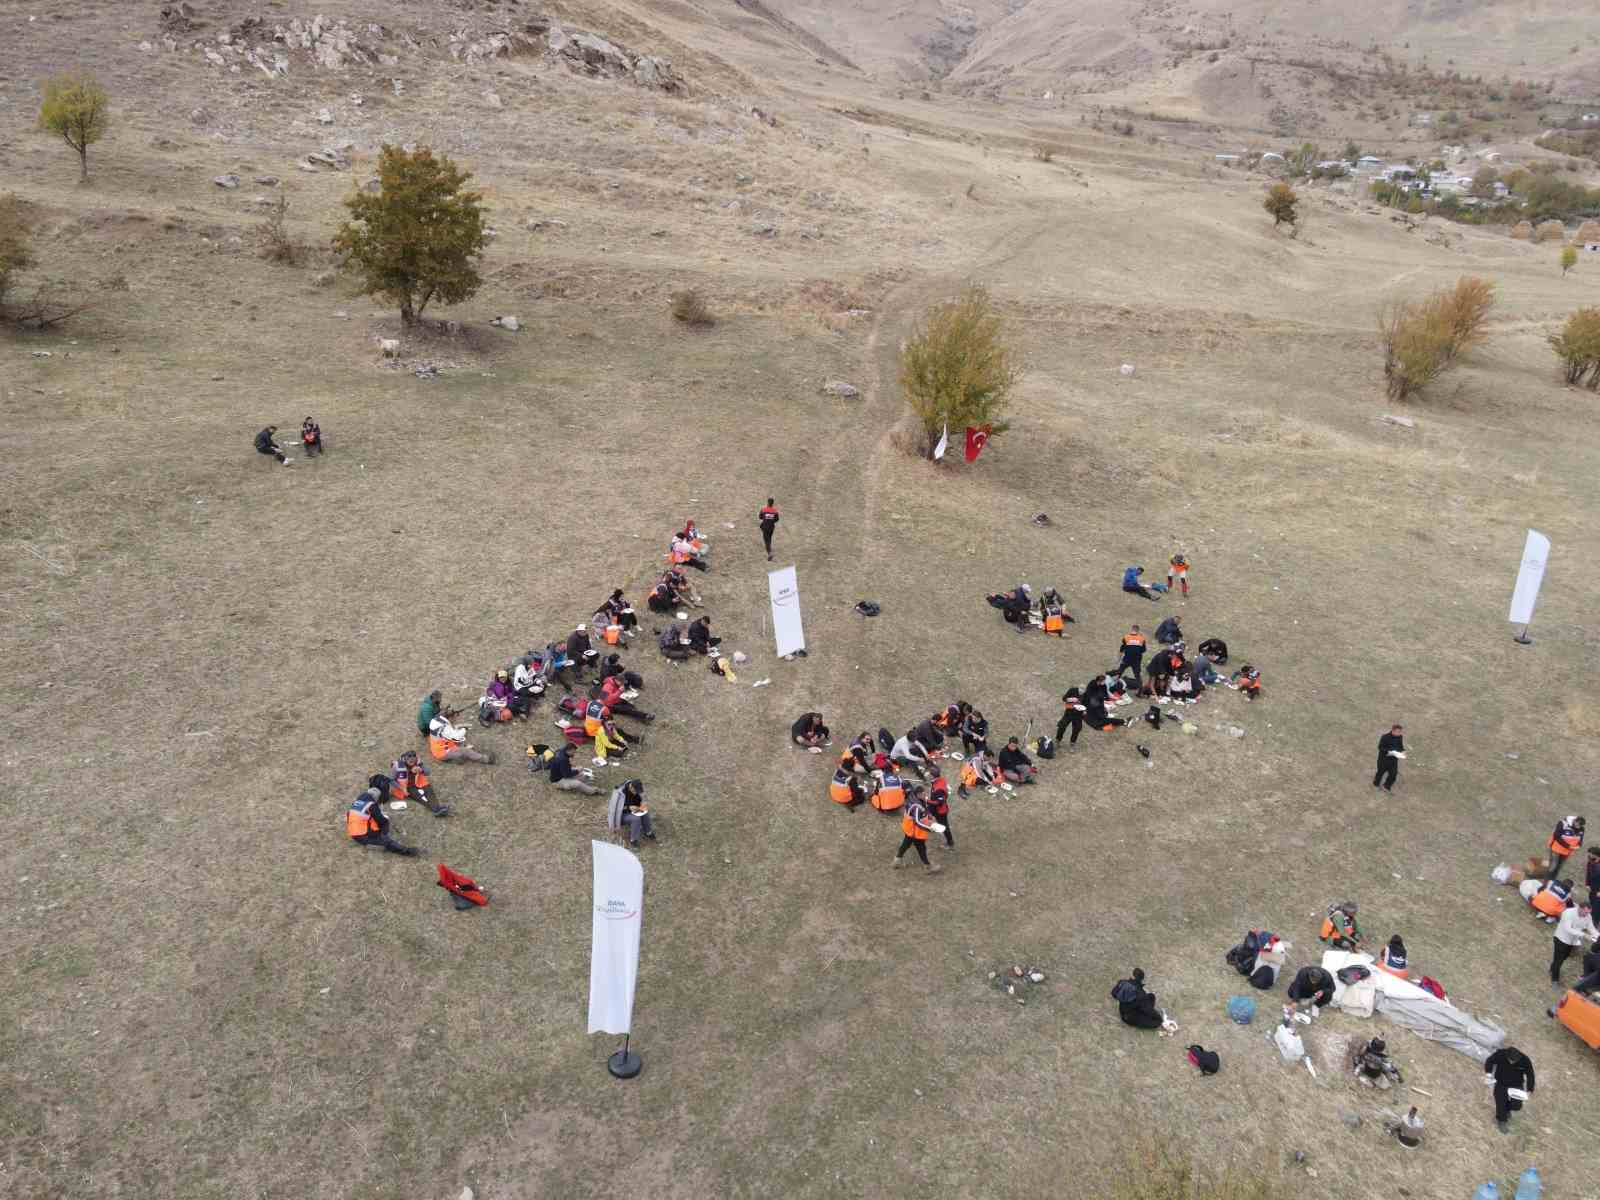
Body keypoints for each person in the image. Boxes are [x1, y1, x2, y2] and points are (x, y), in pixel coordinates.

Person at [346, 777, 417, 855]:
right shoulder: (371, 805)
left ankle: (373, 840)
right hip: (362, 835)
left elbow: (349, 814)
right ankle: (406, 851)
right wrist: (384, 831)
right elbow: (382, 821)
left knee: (374, 821)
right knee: (386, 835)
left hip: (353, 832)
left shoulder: (359, 800)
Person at [1483, 1046, 1535, 1132]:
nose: (1511, 1062)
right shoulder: (1501, 1054)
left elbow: (1530, 1074)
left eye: (1514, 1061)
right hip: (1501, 1082)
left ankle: (1507, 1110)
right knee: (1500, 1102)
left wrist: (1530, 1089)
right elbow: (1490, 1061)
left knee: (1517, 1105)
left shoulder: (1525, 1060)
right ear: (1507, 1055)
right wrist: (1488, 1074)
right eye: (1510, 1060)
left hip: (1516, 1084)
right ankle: (1501, 1120)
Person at [891, 788, 942, 874]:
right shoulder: (917, 806)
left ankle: (896, 861)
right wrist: (930, 829)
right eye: (923, 793)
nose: (925, 795)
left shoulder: (913, 798)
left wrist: (929, 815)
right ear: (918, 794)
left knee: (906, 844)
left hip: (909, 828)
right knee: (921, 848)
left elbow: (924, 809)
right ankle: (928, 867)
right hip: (915, 831)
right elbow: (918, 821)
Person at [390, 750, 450, 817]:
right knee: (419, 796)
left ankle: (438, 808)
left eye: (413, 761)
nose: (412, 763)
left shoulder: (418, 762)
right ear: (405, 759)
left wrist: (421, 769)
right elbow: (391, 780)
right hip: (406, 787)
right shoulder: (397, 766)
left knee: (429, 791)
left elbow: (428, 772)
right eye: (410, 762)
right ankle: (436, 810)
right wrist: (402, 788)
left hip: (418, 782)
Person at [1551, 899, 1598, 983]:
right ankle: (1555, 979)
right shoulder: (1568, 913)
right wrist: (1583, 935)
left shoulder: (1588, 916)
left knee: (1563, 957)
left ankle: (1552, 968)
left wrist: (1598, 936)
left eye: (1588, 913)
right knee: (1559, 960)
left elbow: (1591, 928)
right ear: (1580, 908)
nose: (1587, 915)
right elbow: (1568, 928)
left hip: (1572, 942)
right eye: (1585, 912)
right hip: (1561, 939)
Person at [428, 709, 495, 764]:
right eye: (454, 718)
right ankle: (486, 759)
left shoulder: (435, 720)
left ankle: (457, 755)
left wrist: (460, 728)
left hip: (437, 747)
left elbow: (450, 731)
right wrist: (464, 729)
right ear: (450, 717)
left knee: (461, 741)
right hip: (442, 752)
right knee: (466, 751)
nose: (455, 720)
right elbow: (457, 737)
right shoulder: (444, 728)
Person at [609, 779, 656, 846]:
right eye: (635, 791)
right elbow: (613, 810)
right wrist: (628, 807)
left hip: (633, 810)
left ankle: (648, 832)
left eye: (637, 792)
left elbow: (641, 799)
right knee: (636, 819)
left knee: (645, 813)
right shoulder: (619, 793)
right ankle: (633, 840)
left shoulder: (636, 789)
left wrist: (643, 804)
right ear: (631, 787)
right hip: (621, 815)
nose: (636, 793)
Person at [1547, 815, 1586, 881]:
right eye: (1578, 825)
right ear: (1575, 821)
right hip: (1556, 849)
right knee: (1553, 866)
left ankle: (1552, 880)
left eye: (1580, 826)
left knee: (1559, 867)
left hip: (1567, 852)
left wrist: (1579, 845)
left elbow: (1580, 839)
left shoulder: (1581, 828)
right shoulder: (1563, 823)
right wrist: (1568, 846)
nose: (1578, 827)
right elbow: (1556, 836)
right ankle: (1546, 881)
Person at [1374, 724, 1405, 791]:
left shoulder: (1400, 737)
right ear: (1393, 731)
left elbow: (1400, 746)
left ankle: (1386, 786)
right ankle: (1376, 783)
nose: (1399, 733)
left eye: (1400, 732)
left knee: (1393, 774)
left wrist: (1402, 751)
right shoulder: (1385, 737)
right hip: (1383, 759)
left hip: (1393, 759)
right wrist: (1389, 751)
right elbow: (1380, 747)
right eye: (1398, 732)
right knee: (1380, 772)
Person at [927, 775, 954, 851]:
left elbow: (939, 803)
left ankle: (950, 842)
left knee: (944, 827)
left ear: (932, 776)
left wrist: (927, 800)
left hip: (940, 811)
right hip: (937, 809)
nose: (927, 775)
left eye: (928, 774)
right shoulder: (941, 780)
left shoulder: (938, 788)